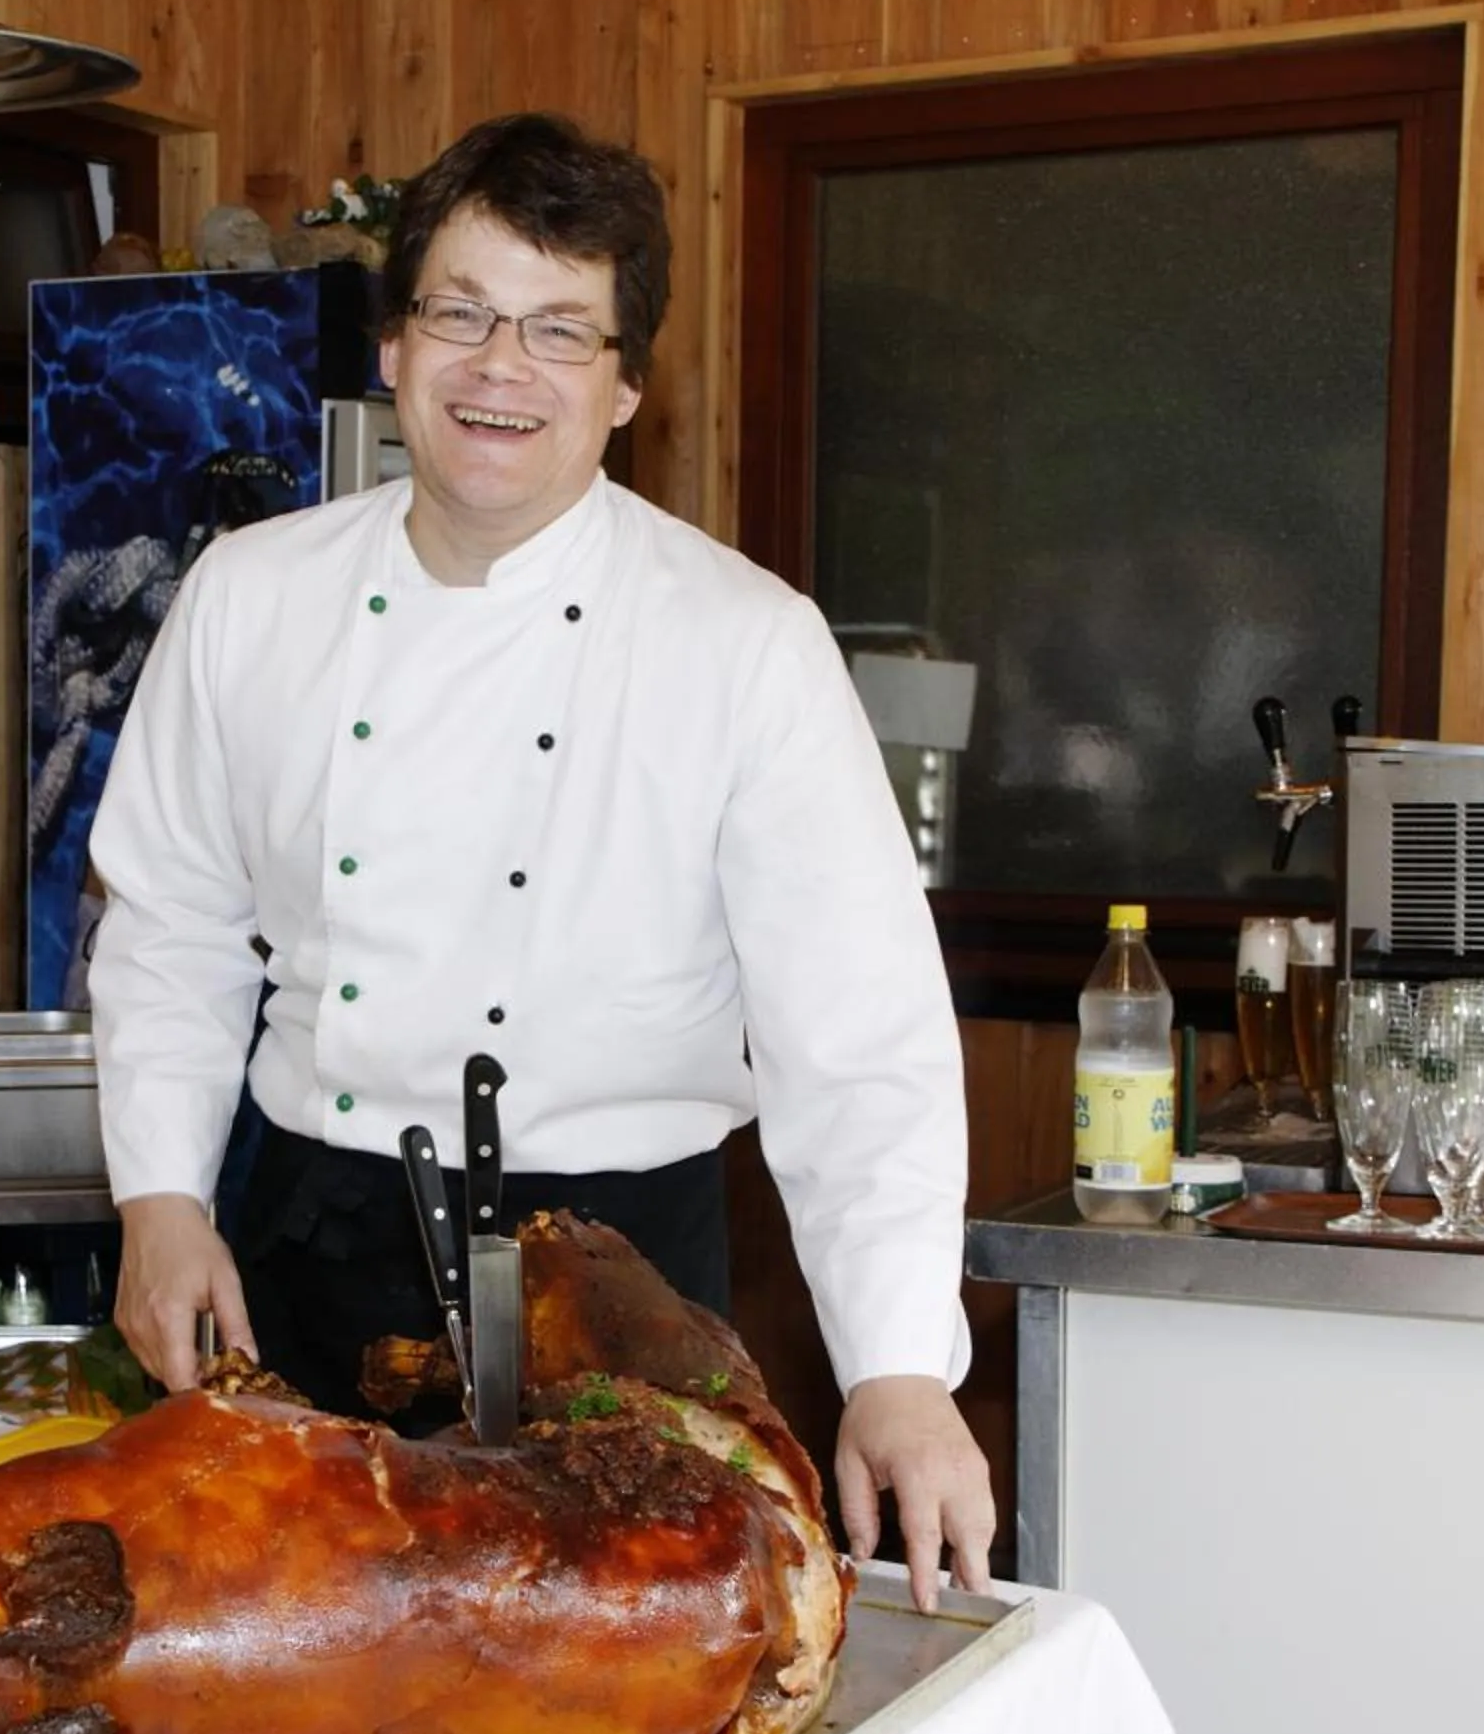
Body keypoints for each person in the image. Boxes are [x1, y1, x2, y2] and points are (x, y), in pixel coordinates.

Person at [85, 112, 992, 1608]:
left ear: (628, 383)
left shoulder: (744, 643)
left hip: (628, 1282)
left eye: (562, 331)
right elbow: (173, 925)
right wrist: (161, 1198)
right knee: (307, 1704)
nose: (502, 368)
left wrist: (896, 1366)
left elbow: (861, 1034)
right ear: (393, 343)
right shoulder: (250, 601)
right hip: (316, 1257)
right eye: (463, 312)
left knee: (626, 1713)